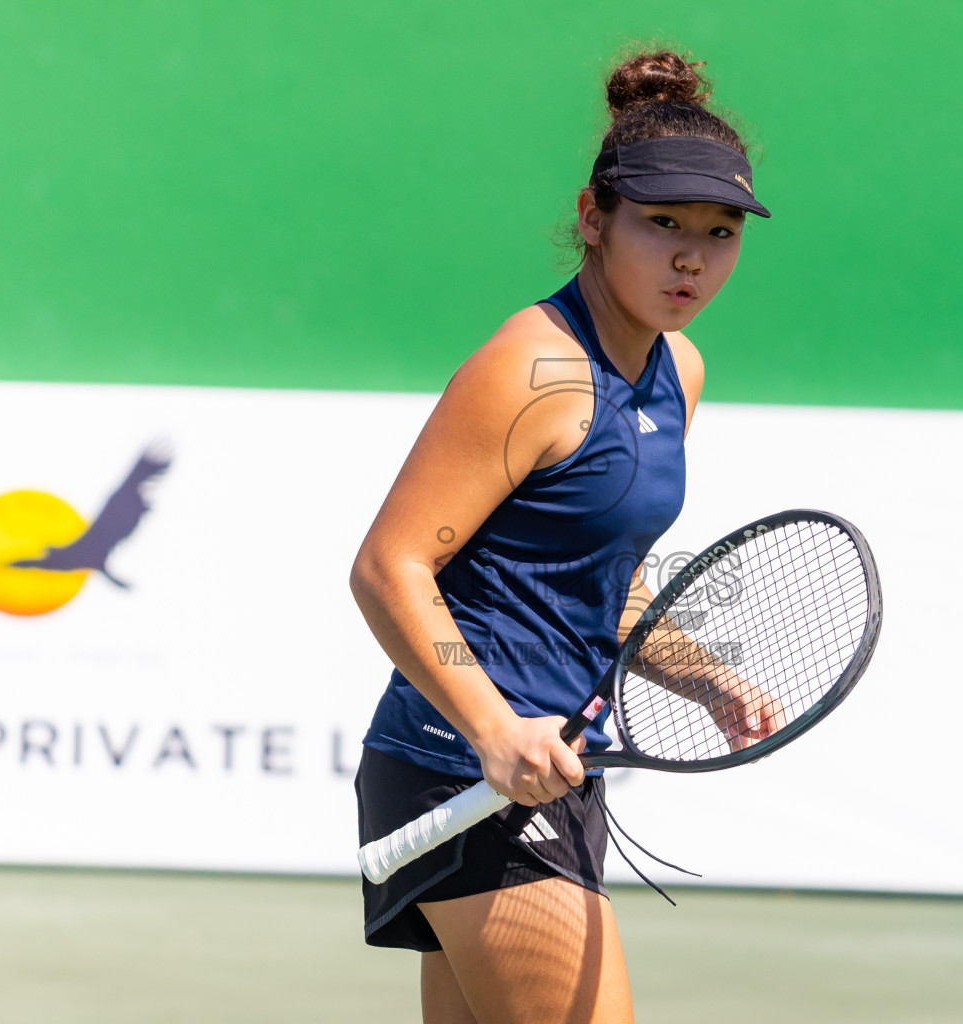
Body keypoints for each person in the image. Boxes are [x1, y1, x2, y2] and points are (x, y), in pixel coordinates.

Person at [349, 47, 772, 1024]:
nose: (690, 258)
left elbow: (602, 581)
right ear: (593, 217)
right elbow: (389, 567)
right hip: (464, 763)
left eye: (718, 233)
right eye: (662, 224)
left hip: (545, 766)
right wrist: (492, 727)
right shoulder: (530, 369)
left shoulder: (681, 370)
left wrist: (707, 679)